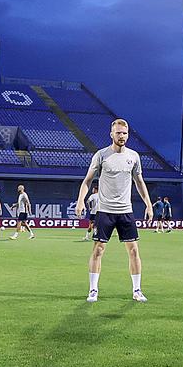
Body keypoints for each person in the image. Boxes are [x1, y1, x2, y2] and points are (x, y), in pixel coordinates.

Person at [76, 119, 154, 303]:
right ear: (111, 134)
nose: (121, 136)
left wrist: (148, 204)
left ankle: (137, 290)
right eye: (118, 133)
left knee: (134, 250)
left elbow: (139, 182)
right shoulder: (101, 155)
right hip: (105, 211)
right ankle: (93, 289)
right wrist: (80, 200)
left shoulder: (134, 157)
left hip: (126, 211)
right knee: (98, 250)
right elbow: (87, 180)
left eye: (124, 133)